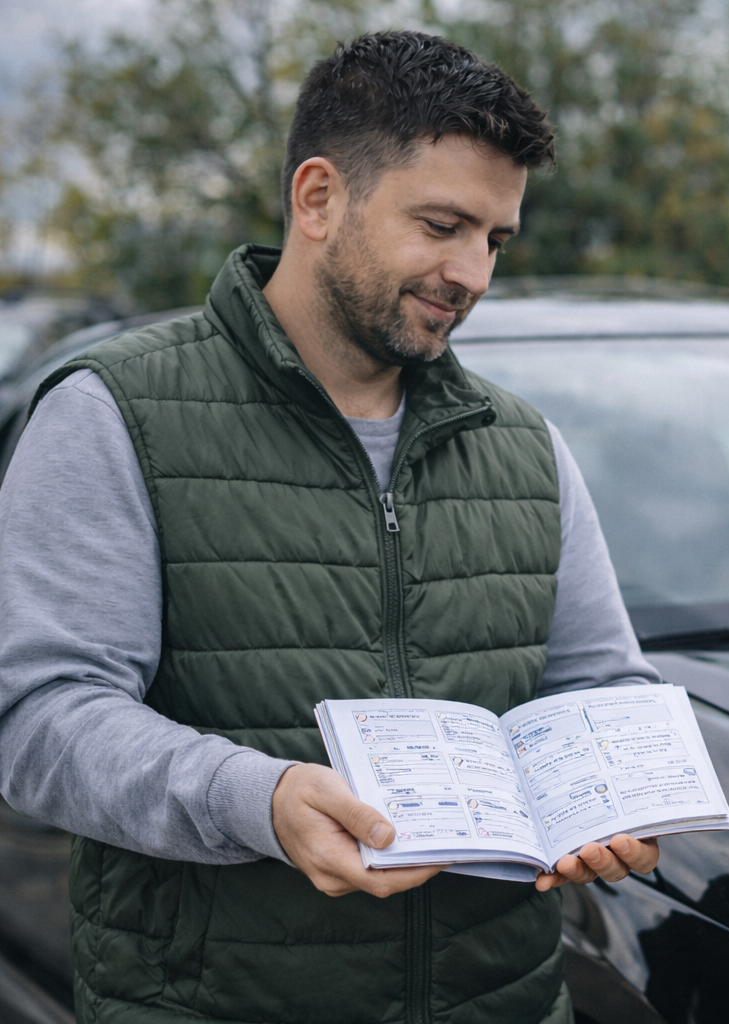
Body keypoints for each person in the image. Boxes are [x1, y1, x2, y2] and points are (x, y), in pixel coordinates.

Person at [0, 31, 662, 1024]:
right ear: (318, 198)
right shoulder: (113, 412)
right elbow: (39, 715)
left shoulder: (528, 445)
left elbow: (603, 685)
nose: (473, 273)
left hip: (503, 1000)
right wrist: (257, 800)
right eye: (442, 225)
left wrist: (620, 797)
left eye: (495, 239)